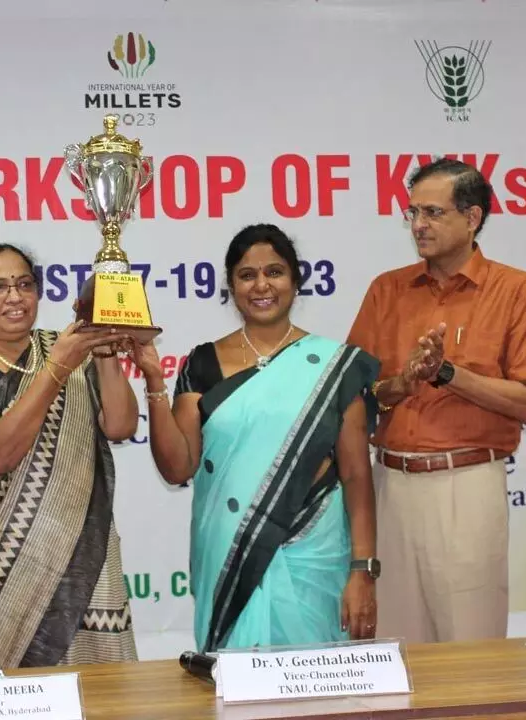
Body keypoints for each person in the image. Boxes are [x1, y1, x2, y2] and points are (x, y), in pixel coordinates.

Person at [136, 224, 380, 652]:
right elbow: (177, 467)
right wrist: (155, 381)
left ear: (295, 280)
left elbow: (357, 477)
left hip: (314, 555)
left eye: (275, 272)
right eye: (247, 275)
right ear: (230, 285)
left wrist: (362, 570)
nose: (261, 285)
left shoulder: (332, 368)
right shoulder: (203, 364)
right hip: (230, 555)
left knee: (321, 693)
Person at [347, 158, 526, 644]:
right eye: (413, 213)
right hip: (392, 486)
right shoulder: (387, 290)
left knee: (471, 651)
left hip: (466, 485)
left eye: (433, 213)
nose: (418, 225)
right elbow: (357, 396)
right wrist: (402, 382)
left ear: (473, 217)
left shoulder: (517, 291)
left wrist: (447, 373)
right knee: (393, 648)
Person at [0, 244, 138, 672]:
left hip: (82, 549)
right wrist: (57, 369)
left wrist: (105, 354)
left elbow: (120, 425)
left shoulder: (65, 349)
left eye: (25, 285)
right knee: (10, 695)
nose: (15, 297)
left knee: (100, 696)